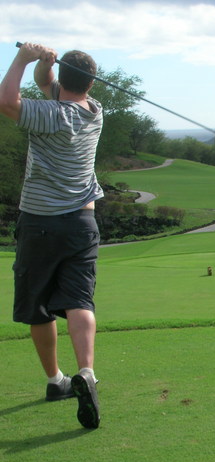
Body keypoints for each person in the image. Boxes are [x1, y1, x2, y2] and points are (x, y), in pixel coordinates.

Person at [0, 42, 103, 429]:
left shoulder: (48, 115)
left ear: (67, 78)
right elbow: (49, 85)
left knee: (40, 305)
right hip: (82, 223)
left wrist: (22, 60)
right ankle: (88, 374)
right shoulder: (95, 112)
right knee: (79, 299)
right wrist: (45, 65)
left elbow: (6, 101)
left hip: (41, 223)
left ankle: (56, 380)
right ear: (90, 83)